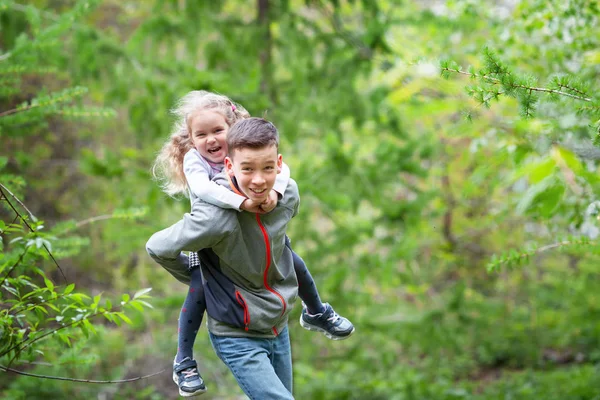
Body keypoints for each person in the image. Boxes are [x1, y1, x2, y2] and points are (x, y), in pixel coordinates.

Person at [148, 92, 354, 397]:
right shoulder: (212, 211)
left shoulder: (287, 196)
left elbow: (281, 180)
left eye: (267, 169)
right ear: (231, 165)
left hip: (277, 325)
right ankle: (184, 360)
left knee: (290, 254)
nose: (259, 180)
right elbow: (159, 245)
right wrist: (199, 272)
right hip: (236, 331)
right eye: (247, 170)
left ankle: (316, 311)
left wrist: (275, 193)